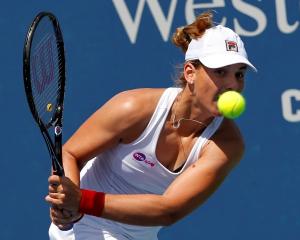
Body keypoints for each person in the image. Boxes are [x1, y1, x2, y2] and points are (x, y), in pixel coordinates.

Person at [46, 11, 256, 240]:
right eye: (221, 72)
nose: (232, 84)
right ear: (190, 73)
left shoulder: (227, 144)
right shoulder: (133, 107)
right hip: (86, 226)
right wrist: (71, 207)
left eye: (239, 74)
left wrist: (81, 200)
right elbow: (71, 153)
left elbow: (169, 210)